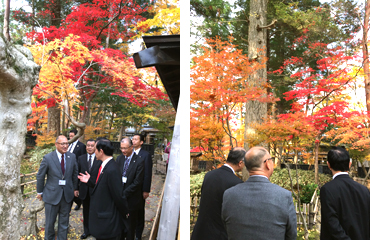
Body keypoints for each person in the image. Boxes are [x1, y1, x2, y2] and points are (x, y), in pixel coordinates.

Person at [222, 146, 297, 240]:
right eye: (271, 159)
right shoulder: (284, 196)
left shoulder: (229, 194)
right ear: (267, 164)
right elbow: (291, 235)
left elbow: (226, 227)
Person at [78, 138, 128, 240]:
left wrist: (125, 213)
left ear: (101, 151)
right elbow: (103, 186)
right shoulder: (105, 166)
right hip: (102, 219)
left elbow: (118, 196)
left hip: (108, 221)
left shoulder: (111, 169)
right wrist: (90, 181)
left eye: (95, 149)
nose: (93, 151)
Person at [191, 147, 245, 240]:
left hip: (200, 231)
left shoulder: (209, 175)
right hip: (219, 234)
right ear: (240, 163)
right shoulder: (236, 183)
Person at [320, 146, 370, 240]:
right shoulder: (364, 190)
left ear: (328, 165)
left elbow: (332, 224)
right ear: (349, 164)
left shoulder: (327, 189)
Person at [36, 135, 79, 240]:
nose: (65, 146)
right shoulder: (48, 158)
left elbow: (75, 174)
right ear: (56, 144)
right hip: (51, 195)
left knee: (64, 223)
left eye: (66, 143)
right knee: (50, 223)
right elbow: (40, 176)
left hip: (67, 196)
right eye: (62, 144)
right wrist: (39, 192)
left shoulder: (72, 156)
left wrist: (75, 188)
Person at [116, 137, 145, 240]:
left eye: (125, 148)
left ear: (131, 147)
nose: (123, 150)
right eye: (121, 148)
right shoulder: (119, 159)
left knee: (130, 226)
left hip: (132, 199)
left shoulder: (139, 161)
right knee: (119, 225)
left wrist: (124, 193)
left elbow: (137, 182)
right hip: (120, 198)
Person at [77, 139, 102, 239]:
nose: (90, 147)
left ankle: (96, 231)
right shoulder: (81, 158)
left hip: (96, 190)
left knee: (96, 212)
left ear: (95, 147)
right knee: (86, 212)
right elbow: (77, 174)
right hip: (84, 190)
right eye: (88, 145)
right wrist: (76, 189)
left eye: (92, 146)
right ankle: (86, 231)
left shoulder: (100, 159)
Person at [132, 134, 153, 240]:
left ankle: (138, 234)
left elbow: (147, 173)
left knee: (139, 211)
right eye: (133, 139)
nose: (133, 141)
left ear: (141, 142)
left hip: (140, 188)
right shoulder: (129, 153)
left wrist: (146, 189)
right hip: (130, 187)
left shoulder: (145, 155)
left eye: (136, 139)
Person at [68, 129, 86, 210]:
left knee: (74, 189)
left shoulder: (81, 146)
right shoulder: (67, 145)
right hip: (67, 170)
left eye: (72, 136)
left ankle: (79, 202)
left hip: (76, 170)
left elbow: (83, 159)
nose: (71, 138)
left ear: (76, 136)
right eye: (70, 136)